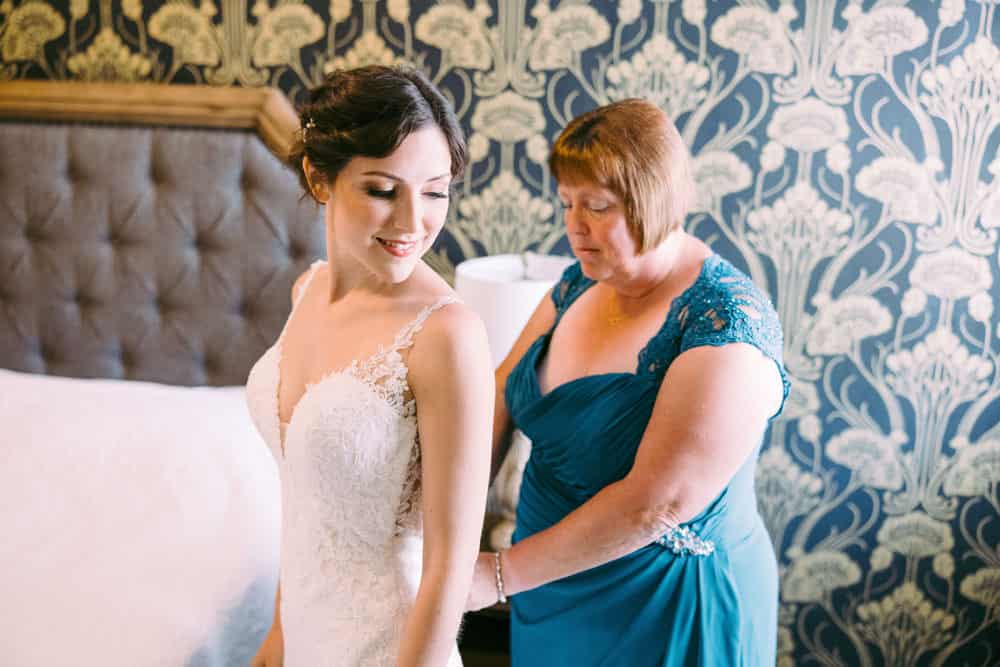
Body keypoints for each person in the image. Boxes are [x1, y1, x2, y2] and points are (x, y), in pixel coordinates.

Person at [465, 98, 789, 666]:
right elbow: (498, 395)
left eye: (597, 206)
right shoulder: (577, 286)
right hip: (549, 591)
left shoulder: (726, 327)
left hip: (664, 609)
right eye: (567, 203)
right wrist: (454, 525)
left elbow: (653, 505)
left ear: (656, 200)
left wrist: (496, 576)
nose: (574, 226)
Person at [245, 65, 494, 667]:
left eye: (435, 192)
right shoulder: (307, 291)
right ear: (319, 177)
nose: (414, 223)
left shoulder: (447, 336)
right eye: (384, 190)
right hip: (308, 641)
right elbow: (305, 510)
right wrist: (277, 644)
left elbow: (448, 570)